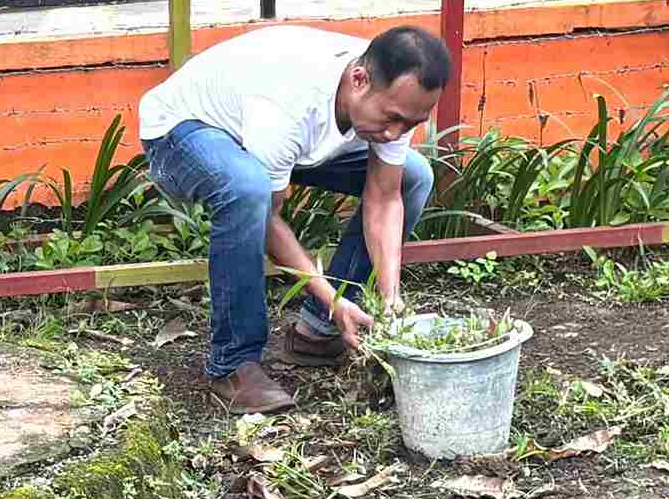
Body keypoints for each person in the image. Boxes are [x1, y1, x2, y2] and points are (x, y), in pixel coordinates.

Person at [137, 25, 448, 414]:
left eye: (410, 124)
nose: (396, 133)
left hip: (267, 139)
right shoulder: (290, 103)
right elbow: (267, 221)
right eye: (393, 119)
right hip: (184, 132)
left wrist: (390, 298)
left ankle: (317, 334)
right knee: (247, 190)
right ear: (359, 79)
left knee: (414, 177)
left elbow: (384, 199)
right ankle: (232, 365)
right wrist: (332, 298)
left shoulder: (395, 97)